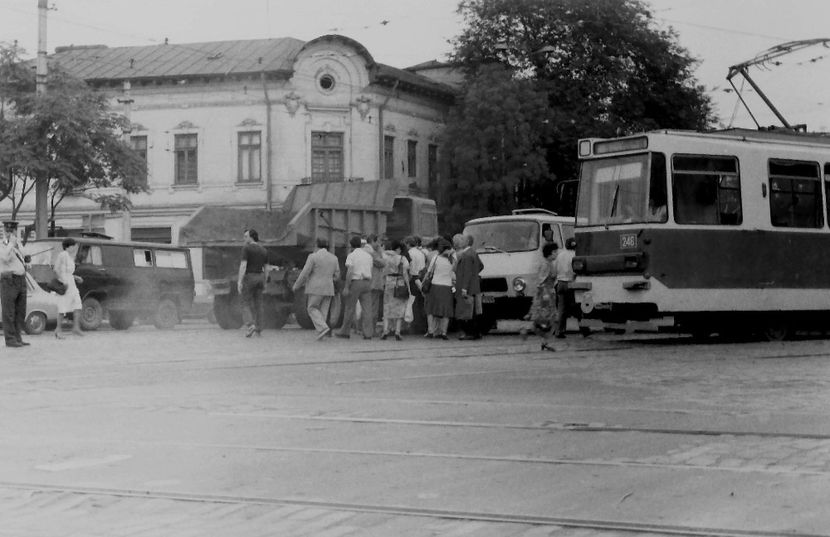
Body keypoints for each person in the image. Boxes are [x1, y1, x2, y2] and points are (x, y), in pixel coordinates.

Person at [293, 237, 340, 340]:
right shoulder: (334, 258)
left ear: (316, 245)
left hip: (316, 288)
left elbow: (305, 273)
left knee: (312, 308)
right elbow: (337, 275)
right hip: (328, 288)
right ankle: (321, 332)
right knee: (323, 311)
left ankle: (322, 328)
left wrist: (297, 285)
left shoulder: (313, 257)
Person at [336, 235, 375, 339]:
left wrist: (346, 287)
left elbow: (350, 272)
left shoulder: (352, 255)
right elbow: (371, 271)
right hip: (367, 282)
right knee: (367, 309)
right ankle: (368, 333)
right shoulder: (368, 256)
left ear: (351, 245)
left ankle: (345, 331)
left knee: (350, 307)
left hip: (356, 282)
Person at [524, 242, 558, 351]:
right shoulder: (545, 265)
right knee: (548, 318)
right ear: (550, 253)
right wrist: (544, 295)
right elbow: (541, 282)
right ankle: (529, 331)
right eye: (555, 252)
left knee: (546, 319)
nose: (556, 254)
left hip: (548, 294)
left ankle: (544, 341)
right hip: (546, 295)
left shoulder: (549, 263)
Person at [0, 220, 29, 347]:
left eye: (13, 231)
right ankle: (10, 339)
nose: (11, 233)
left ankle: (18, 337)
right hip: (9, 280)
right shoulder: (2, 245)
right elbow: (5, 257)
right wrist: (11, 244)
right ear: (4, 231)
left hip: (21, 280)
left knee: (20, 311)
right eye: (9, 231)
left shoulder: (17, 245)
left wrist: (26, 259)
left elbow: (26, 256)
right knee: (9, 312)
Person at [237, 228, 268, 337]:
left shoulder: (246, 248)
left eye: (245, 236)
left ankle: (250, 325)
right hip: (260, 277)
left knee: (245, 302)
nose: (244, 238)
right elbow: (266, 268)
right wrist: (265, 280)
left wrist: (239, 281)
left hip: (250, 277)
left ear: (251, 237)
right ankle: (259, 328)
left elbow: (243, 265)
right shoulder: (264, 250)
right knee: (259, 304)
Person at [453, 233, 484, 340]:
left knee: (467, 312)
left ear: (465, 242)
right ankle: (476, 332)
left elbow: (466, 273)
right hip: (475, 285)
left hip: (467, 286)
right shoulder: (474, 253)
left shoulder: (466, 255)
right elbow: (481, 266)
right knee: (475, 311)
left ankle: (470, 333)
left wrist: (464, 288)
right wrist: (475, 275)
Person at [53, 238, 84, 339]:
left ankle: (76, 327)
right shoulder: (63, 255)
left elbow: (68, 272)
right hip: (65, 284)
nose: (75, 248)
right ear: (68, 246)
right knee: (63, 307)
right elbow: (56, 269)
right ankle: (58, 329)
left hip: (71, 283)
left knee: (78, 303)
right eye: (73, 246)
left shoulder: (70, 257)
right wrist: (63, 281)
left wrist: (75, 277)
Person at [424, 237, 454, 340]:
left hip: (435, 285)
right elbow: (454, 273)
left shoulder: (436, 258)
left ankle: (431, 331)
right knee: (446, 311)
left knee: (431, 310)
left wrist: (423, 284)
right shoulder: (453, 259)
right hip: (447, 286)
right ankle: (444, 332)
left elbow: (429, 273)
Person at [381, 239, 409, 340]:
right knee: (399, 309)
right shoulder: (403, 259)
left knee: (387, 307)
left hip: (389, 284)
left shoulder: (385, 257)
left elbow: (383, 272)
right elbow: (405, 273)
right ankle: (397, 331)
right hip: (399, 284)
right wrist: (408, 287)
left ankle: (385, 331)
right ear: (398, 249)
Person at [553, 237, 578, 339]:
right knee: (577, 307)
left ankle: (559, 331)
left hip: (560, 283)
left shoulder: (559, 255)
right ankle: (585, 329)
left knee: (561, 309)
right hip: (571, 283)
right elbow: (576, 271)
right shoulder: (575, 255)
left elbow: (554, 270)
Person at [364, 234, 386, 337]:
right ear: (373, 241)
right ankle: (371, 330)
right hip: (374, 283)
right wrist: (381, 251)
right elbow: (383, 263)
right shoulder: (371, 252)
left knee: (366, 307)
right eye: (378, 241)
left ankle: (363, 329)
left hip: (367, 282)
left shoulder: (364, 250)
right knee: (373, 308)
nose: (379, 244)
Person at [404, 235, 426, 333]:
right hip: (421, 278)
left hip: (413, 279)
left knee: (412, 303)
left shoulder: (409, 253)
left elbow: (408, 267)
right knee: (420, 302)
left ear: (408, 244)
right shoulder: (420, 253)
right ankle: (421, 324)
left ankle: (414, 325)